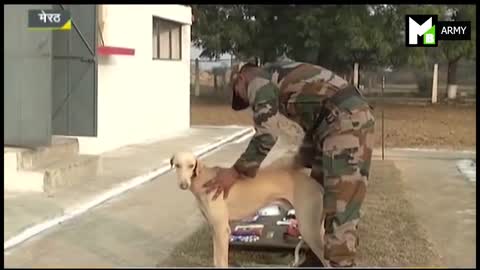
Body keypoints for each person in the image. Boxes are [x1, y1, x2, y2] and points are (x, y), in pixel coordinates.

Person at [203, 59, 375, 267]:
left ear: (241, 79)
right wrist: (299, 159)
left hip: (347, 124)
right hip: (331, 124)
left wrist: (236, 171)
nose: (247, 102)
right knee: (316, 197)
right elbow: (316, 117)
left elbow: (267, 134)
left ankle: (341, 263)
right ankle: (318, 261)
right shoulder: (276, 77)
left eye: (240, 94)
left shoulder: (257, 81)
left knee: (340, 207)